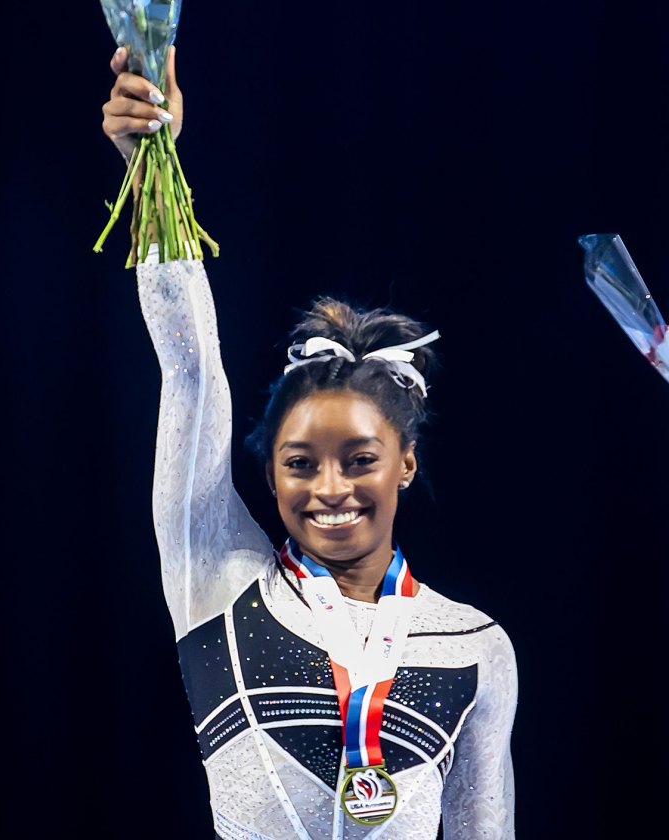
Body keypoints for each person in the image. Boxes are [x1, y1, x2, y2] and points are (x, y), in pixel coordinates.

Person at [102, 46, 518, 840]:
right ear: (271, 470)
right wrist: (154, 162)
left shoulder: (476, 648)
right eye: (300, 463)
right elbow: (189, 373)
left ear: (406, 462)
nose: (330, 487)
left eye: (360, 460)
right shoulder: (217, 581)